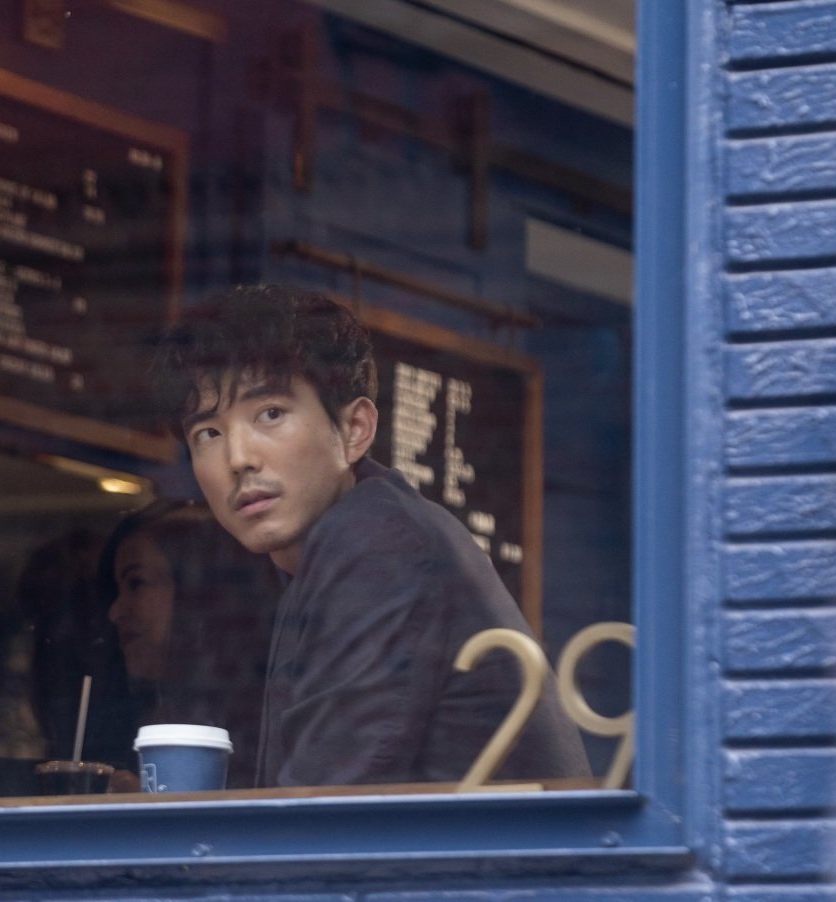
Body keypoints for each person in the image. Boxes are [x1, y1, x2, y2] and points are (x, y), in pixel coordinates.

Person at [155, 284, 587, 788]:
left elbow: (322, 810)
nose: (238, 458)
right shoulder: (343, 542)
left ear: (356, 428)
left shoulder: (377, 542)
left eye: (270, 413)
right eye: (208, 433)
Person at [93, 499, 280, 783]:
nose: (115, 611)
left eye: (136, 583)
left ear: (199, 593)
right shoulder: (143, 707)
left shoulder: (265, 720)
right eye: (117, 590)